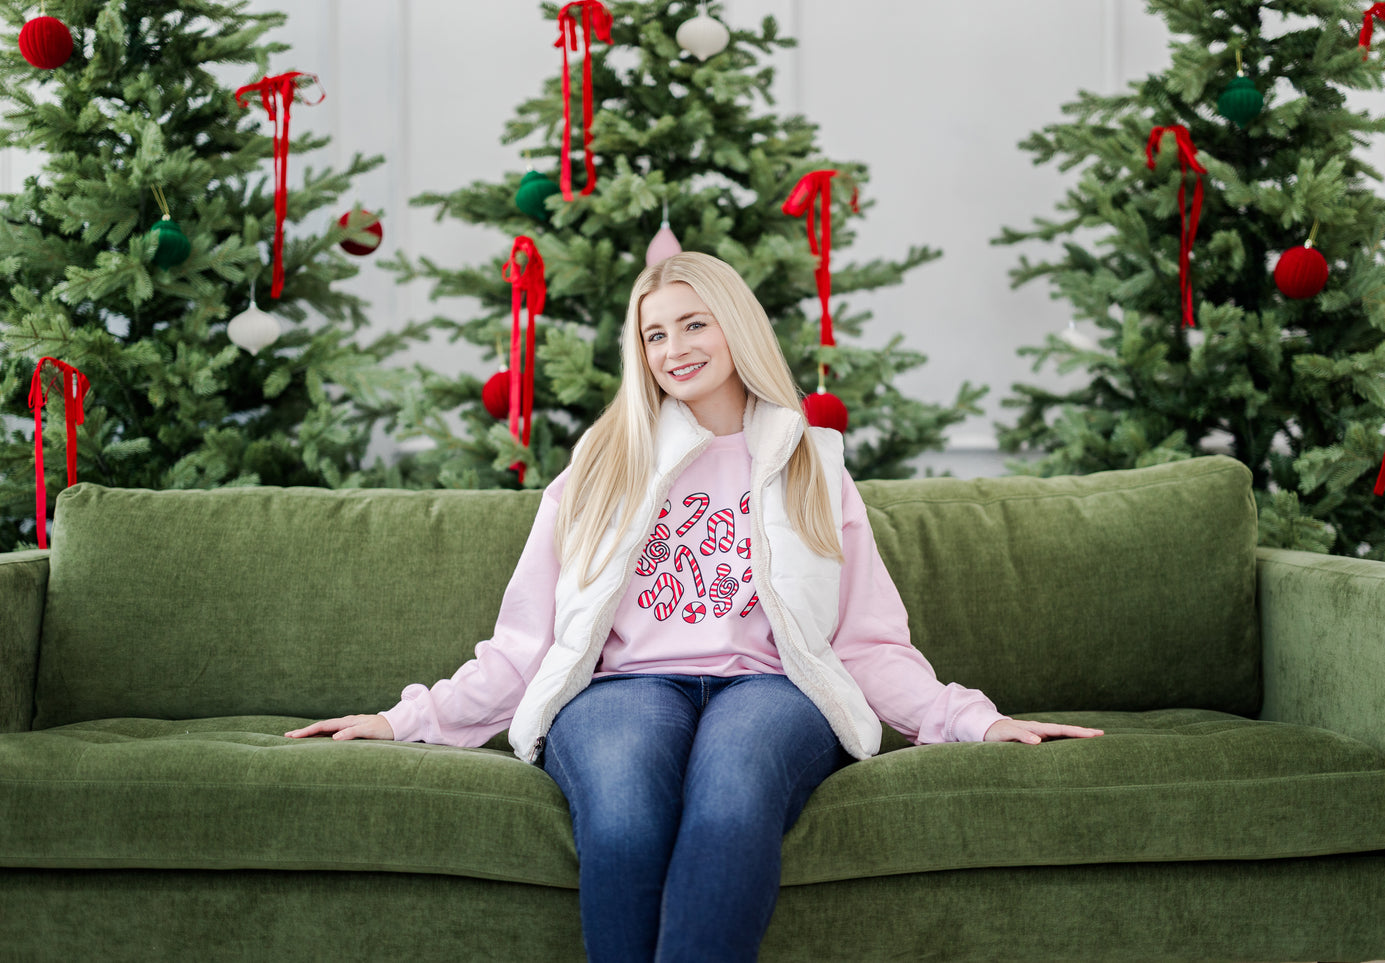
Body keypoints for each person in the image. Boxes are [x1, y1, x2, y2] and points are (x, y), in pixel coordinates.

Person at [286, 252, 1102, 962]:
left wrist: (972, 719)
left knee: (731, 806)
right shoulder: (603, 463)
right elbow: (528, 641)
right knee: (627, 818)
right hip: (623, 691)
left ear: (736, 329)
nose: (674, 349)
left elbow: (868, 644)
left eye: (694, 324)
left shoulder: (811, 465)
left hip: (773, 690)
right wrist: (406, 720)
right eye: (654, 334)